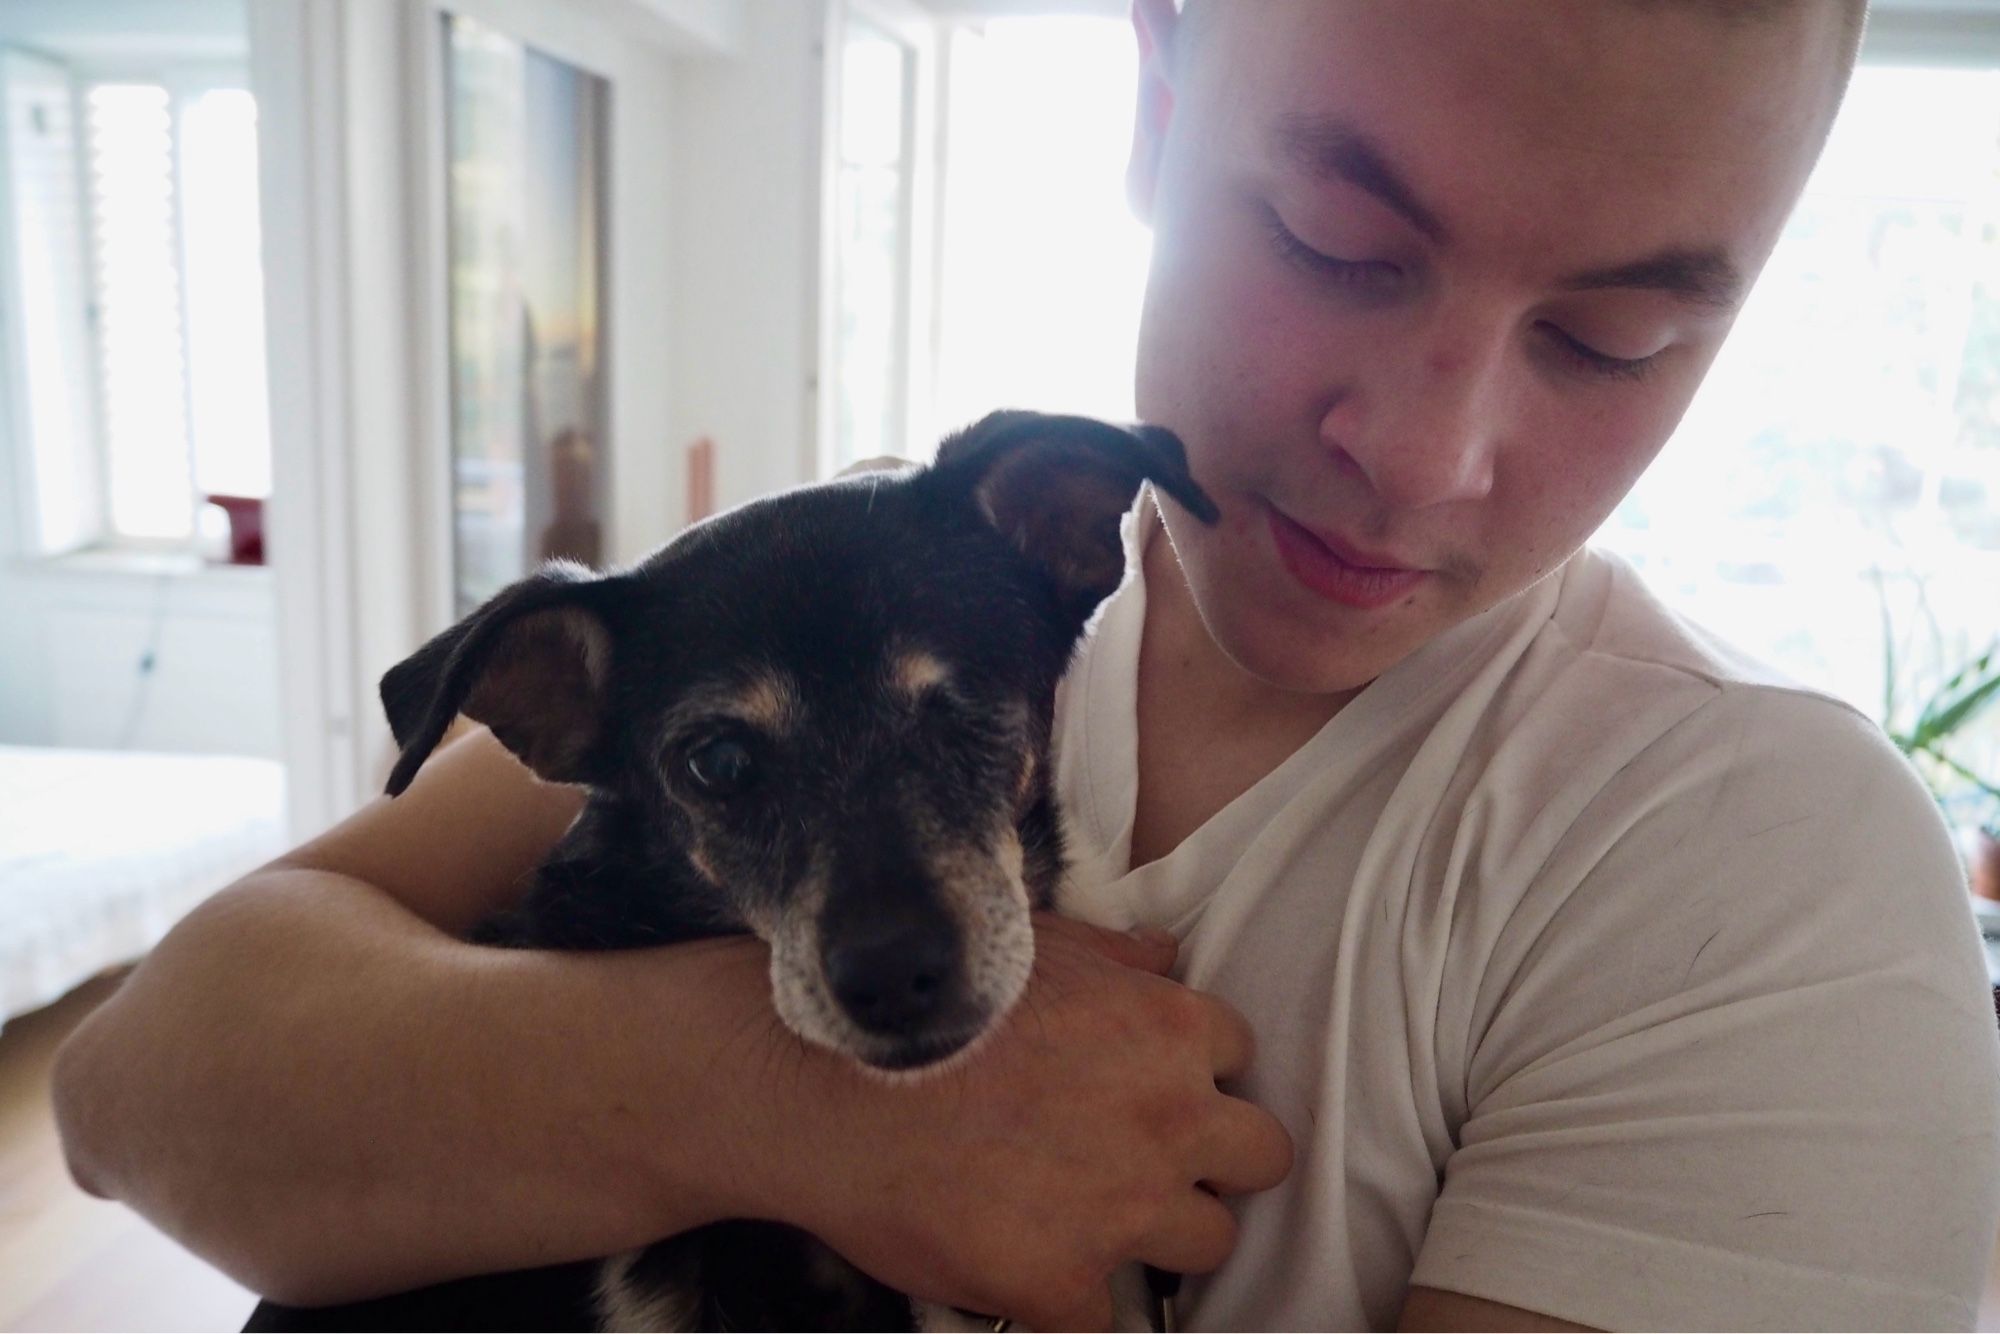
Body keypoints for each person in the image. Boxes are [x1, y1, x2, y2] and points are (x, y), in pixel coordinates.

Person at [53, 0, 2000, 1328]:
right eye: (1335, 235)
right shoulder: (871, 574)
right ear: (1155, 96)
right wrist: (786, 1102)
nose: (1422, 453)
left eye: (1609, 341)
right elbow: (127, 1093)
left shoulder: (1770, 887)